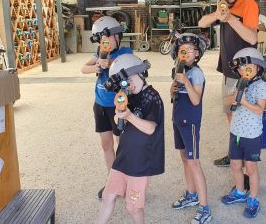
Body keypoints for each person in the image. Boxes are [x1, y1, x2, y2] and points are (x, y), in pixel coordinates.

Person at [198, 0, 259, 168]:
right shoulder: (222, 7)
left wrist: (231, 18)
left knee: (245, 119)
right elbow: (202, 23)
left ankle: (245, 164)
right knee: (230, 115)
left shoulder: (248, 4)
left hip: (244, 74)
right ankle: (234, 154)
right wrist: (218, 14)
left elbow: (252, 37)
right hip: (228, 70)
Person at [96, 54, 165, 224]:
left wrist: (128, 115)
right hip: (123, 157)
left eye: (132, 78)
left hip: (139, 163)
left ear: (142, 73)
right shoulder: (128, 97)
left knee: (133, 207)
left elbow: (150, 128)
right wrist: (119, 115)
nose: (130, 84)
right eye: (125, 81)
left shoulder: (152, 96)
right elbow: (120, 125)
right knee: (107, 196)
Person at [80, 16, 133, 199]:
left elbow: (128, 67)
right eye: (102, 40)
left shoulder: (125, 52)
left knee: (122, 145)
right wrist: (97, 65)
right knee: (106, 144)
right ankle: (113, 182)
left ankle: (126, 180)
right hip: (100, 104)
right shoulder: (99, 52)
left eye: (109, 38)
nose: (106, 43)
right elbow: (83, 69)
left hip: (117, 106)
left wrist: (109, 63)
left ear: (117, 37)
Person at [221, 47, 266, 219]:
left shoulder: (262, 86)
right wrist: (234, 96)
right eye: (241, 67)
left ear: (258, 68)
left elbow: (259, 110)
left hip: (252, 135)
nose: (244, 70)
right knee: (235, 165)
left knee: (251, 167)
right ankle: (240, 192)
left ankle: (253, 199)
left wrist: (243, 101)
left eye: (248, 66)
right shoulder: (237, 83)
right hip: (236, 132)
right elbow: (226, 100)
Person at [169, 33, 212, 224]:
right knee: (185, 159)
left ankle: (205, 208)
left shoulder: (196, 74)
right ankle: (191, 194)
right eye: (182, 50)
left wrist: (186, 81)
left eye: (190, 50)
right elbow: (172, 94)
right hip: (178, 119)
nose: (186, 53)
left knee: (194, 162)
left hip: (190, 122)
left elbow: (196, 100)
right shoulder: (178, 70)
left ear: (197, 54)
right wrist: (174, 87)